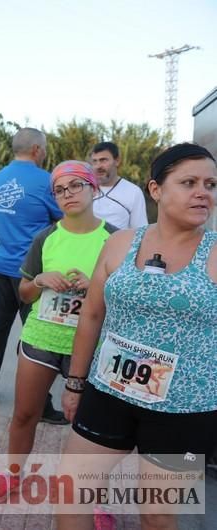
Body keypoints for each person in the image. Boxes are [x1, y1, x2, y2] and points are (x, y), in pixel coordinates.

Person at [57, 143, 217, 530]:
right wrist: (75, 384)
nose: (203, 192)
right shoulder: (120, 242)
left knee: (157, 515)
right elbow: (92, 314)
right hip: (108, 392)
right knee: (71, 492)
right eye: (189, 182)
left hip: (184, 409)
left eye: (211, 184)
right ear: (156, 190)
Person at [0, 161, 116, 501]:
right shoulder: (46, 237)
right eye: (60, 190)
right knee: (24, 413)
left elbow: (124, 298)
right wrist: (39, 280)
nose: (68, 195)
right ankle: (13, 475)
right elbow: (24, 291)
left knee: (95, 431)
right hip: (43, 338)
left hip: (91, 347)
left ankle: (94, 497)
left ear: (94, 188)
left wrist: (96, 286)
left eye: (76, 186)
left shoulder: (115, 238)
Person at [0, 127, 67, 424]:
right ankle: (41, 405)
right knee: (39, 338)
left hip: (2, 266)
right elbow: (63, 219)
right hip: (32, 272)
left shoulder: (0, 178)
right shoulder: (45, 181)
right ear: (38, 150)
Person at [90, 141, 148, 229]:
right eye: (95, 161)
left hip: (120, 242)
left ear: (117, 161)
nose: (98, 166)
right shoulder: (85, 189)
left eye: (103, 160)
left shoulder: (133, 192)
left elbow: (140, 231)